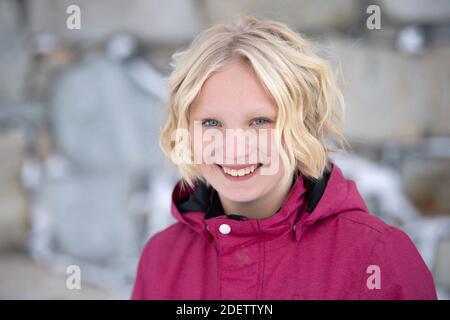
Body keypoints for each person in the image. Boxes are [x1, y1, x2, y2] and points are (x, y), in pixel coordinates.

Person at [131, 15, 437, 300]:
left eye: (260, 121)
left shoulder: (378, 257)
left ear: (301, 126)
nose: (235, 148)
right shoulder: (162, 259)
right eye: (211, 123)